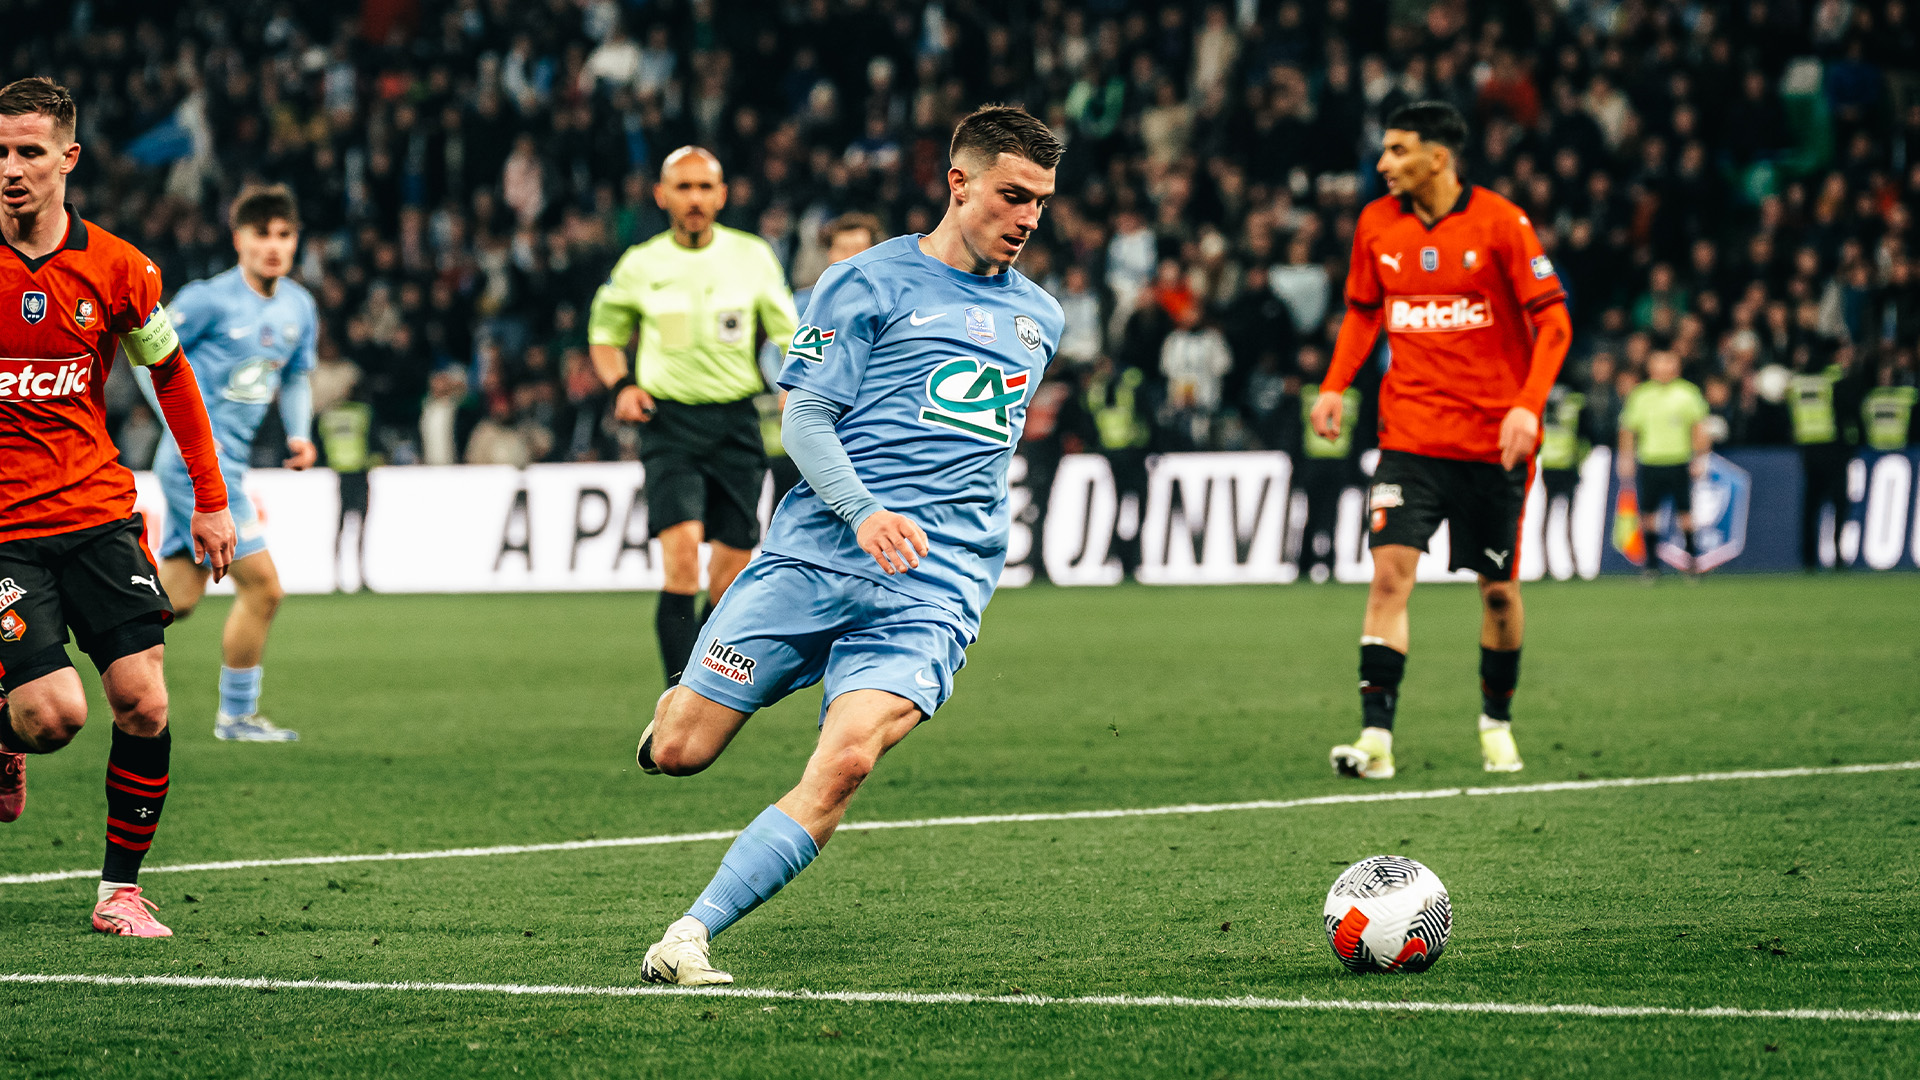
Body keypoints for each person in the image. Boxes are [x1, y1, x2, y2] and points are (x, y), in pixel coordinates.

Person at [632, 105, 1064, 986]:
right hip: (816, 556)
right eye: (1013, 195)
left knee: (848, 761)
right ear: (959, 183)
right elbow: (805, 417)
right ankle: (687, 699)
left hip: (933, 583)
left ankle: (689, 934)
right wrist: (864, 510)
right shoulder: (863, 281)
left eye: (1041, 203)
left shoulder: (1040, 318)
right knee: (681, 750)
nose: (1028, 218)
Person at [0, 77, 236, 936]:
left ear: (68, 158)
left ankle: (119, 894)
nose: (11, 169)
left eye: (29, 152)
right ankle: (8, 732)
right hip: (6, 536)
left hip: (98, 514)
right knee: (54, 717)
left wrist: (211, 500)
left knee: (145, 701)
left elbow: (170, 376)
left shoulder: (119, 269)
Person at [1310, 101, 1572, 780]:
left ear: (1439, 157)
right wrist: (1335, 386)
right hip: (1410, 438)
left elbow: (1555, 322)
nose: (1383, 163)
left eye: (1398, 150)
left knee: (1498, 593)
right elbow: (1363, 312)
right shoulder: (1376, 224)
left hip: (1493, 443)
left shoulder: (1502, 223)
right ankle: (1376, 740)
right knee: (1388, 577)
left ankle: (1496, 723)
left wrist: (1528, 407)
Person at [588, 146, 799, 688]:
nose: (695, 198)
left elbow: (790, 334)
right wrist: (621, 385)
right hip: (670, 426)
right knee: (681, 560)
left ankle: (698, 690)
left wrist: (797, 385)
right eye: (683, 187)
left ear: (722, 195)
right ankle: (676, 699)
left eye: (705, 187)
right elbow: (605, 334)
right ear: (662, 196)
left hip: (735, 424)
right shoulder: (640, 265)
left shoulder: (752, 256)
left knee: (728, 580)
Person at [138, 184, 317, 740]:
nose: (274, 246)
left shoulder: (299, 307)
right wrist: (184, 432)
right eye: (262, 234)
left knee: (177, 599)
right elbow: (145, 356)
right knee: (264, 589)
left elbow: (296, 376)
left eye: (284, 235)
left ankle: (55, 634)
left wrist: (300, 435)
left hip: (227, 465)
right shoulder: (207, 300)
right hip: (196, 467)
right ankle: (237, 716)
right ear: (238, 239)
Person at [1616, 350, 1710, 579]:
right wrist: (1626, 457)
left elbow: (1699, 428)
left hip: (1679, 461)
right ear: (1651, 368)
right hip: (1650, 461)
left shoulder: (1687, 393)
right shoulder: (1641, 395)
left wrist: (1701, 458)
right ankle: (1651, 565)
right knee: (1649, 515)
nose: (1664, 369)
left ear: (1676, 367)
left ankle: (1692, 562)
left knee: (1685, 513)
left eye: (1668, 364)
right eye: (1659, 365)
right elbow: (1628, 429)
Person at [1789, 347, 1863, 569]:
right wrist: (1852, 443)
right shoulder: (1834, 380)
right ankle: (1838, 554)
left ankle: (1808, 558)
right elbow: (1850, 411)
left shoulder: (1798, 384)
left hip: (1808, 451)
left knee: (1811, 507)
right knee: (1839, 504)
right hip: (1834, 449)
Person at [1295, 344, 1358, 583]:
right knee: (1329, 517)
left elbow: (1297, 428)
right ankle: (1327, 564)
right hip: (1332, 461)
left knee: (1315, 516)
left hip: (1319, 461)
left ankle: (1305, 565)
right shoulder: (1350, 395)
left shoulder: (1308, 392)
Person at [1537, 382, 1588, 573]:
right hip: (1567, 465)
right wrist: (1580, 460)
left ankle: (1547, 565)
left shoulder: (1543, 400)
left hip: (1551, 464)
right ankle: (1573, 565)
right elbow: (1584, 436)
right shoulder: (1576, 402)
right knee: (1568, 519)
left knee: (1548, 518)